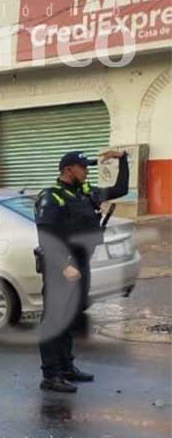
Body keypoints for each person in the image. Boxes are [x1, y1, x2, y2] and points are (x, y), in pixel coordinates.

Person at [34, 149, 129, 392]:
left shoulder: (86, 194)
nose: (87, 171)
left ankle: (66, 367)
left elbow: (120, 189)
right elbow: (47, 239)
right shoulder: (51, 198)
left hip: (81, 262)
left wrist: (122, 159)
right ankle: (50, 375)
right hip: (61, 266)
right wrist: (64, 266)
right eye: (83, 167)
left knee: (70, 318)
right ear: (68, 170)